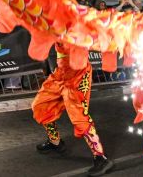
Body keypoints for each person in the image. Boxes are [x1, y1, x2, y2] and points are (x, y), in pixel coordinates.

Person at [32, 42, 114, 177]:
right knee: (40, 105)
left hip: (78, 75)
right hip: (61, 73)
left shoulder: (79, 26)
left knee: (79, 117)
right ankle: (55, 142)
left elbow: (99, 42)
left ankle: (101, 158)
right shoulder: (53, 23)